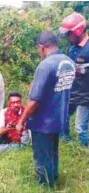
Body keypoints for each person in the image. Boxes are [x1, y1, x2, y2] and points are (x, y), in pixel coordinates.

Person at [16, 31, 75, 187]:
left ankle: (46, 186)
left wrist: (21, 121)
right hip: (59, 117)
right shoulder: (69, 62)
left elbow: (34, 101)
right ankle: (53, 179)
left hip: (43, 121)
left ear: (41, 47)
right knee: (52, 152)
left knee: (42, 156)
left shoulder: (45, 66)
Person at [59, 12, 89, 146]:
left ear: (77, 31)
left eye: (68, 34)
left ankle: (83, 151)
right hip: (72, 92)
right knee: (62, 116)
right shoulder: (72, 49)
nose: (66, 37)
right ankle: (67, 144)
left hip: (86, 96)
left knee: (80, 128)